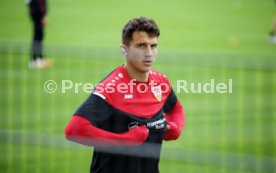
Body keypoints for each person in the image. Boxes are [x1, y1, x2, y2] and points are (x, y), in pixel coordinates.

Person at [65, 17, 185, 173]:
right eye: (141, 46)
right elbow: (74, 130)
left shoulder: (160, 82)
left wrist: (176, 128)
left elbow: (176, 108)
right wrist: (125, 141)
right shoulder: (111, 88)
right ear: (125, 49)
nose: (149, 53)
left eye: (153, 46)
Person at [27, 0, 52, 68]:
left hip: (34, 9)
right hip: (37, 10)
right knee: (38, 35)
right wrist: (44, 15)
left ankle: (39, 58)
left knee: (39, 34)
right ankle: (35, 60)